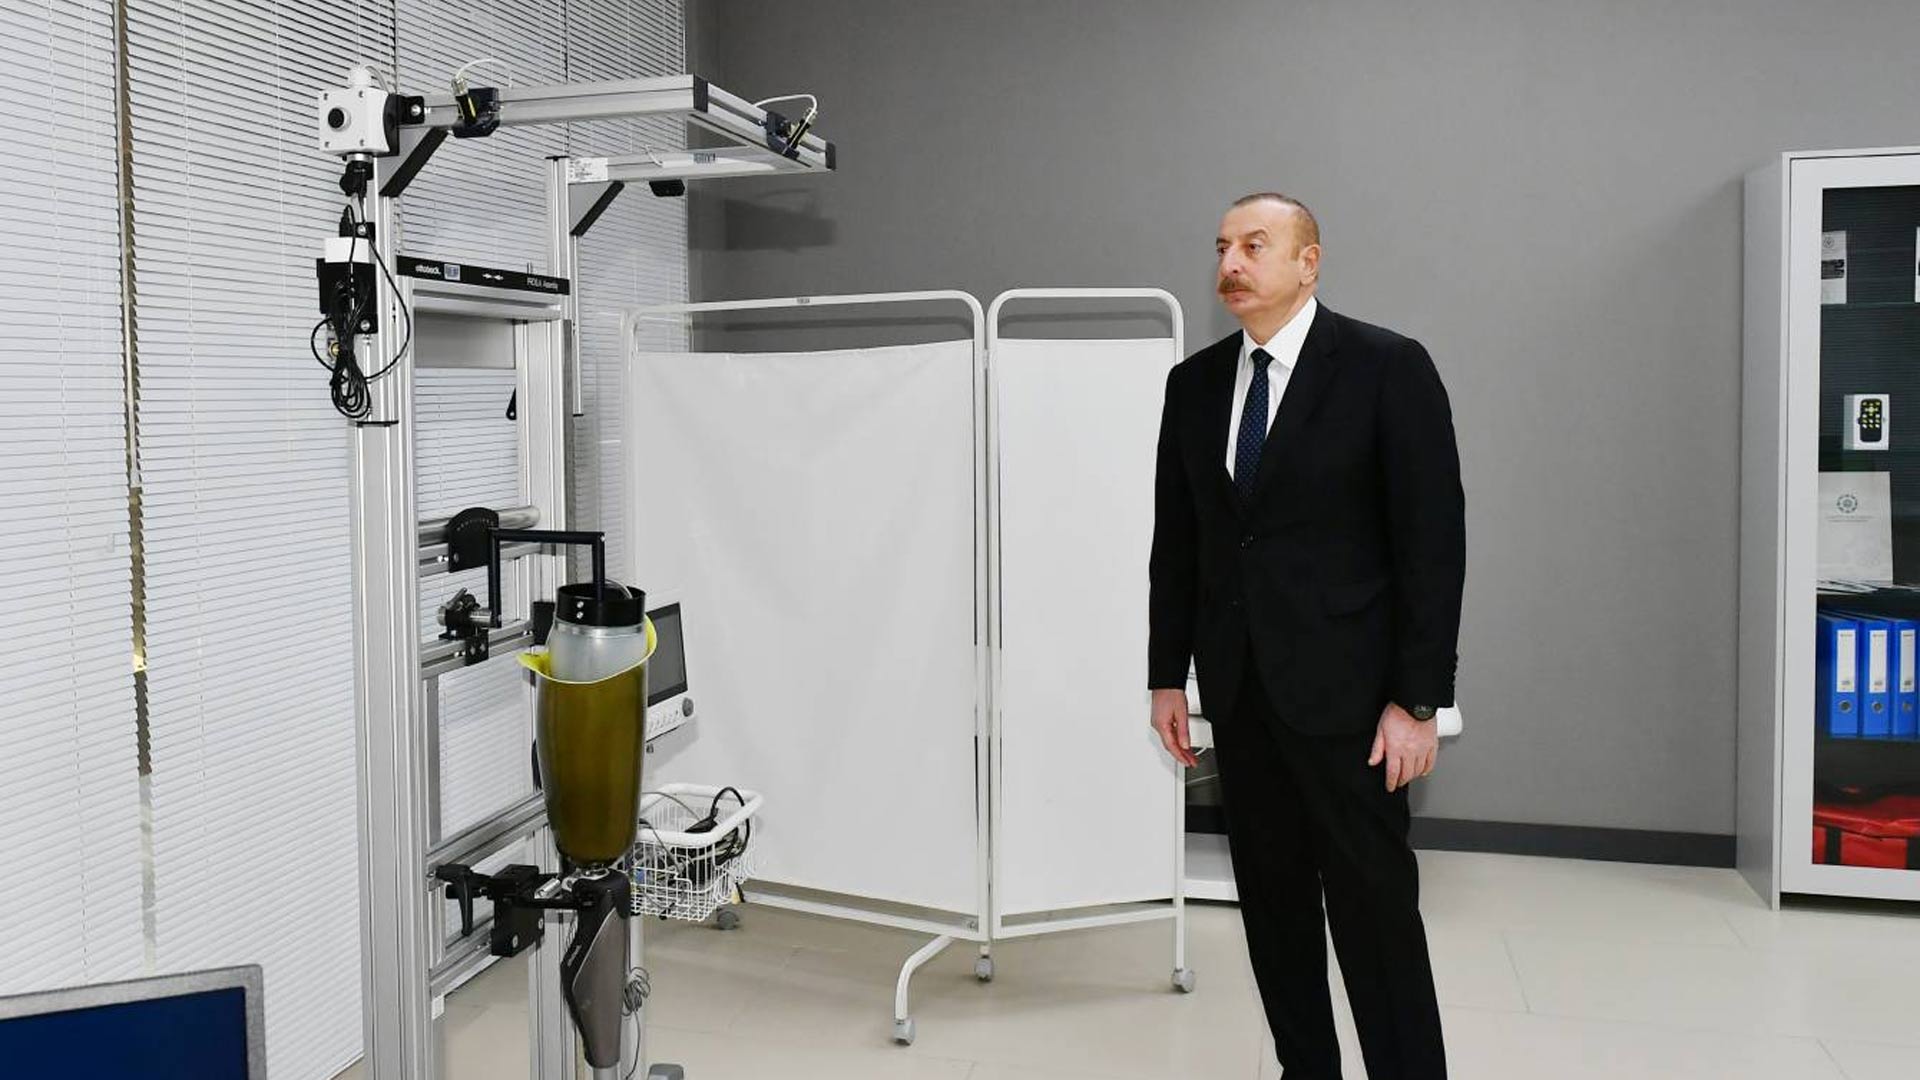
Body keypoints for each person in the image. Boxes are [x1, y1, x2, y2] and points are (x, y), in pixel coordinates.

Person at [1147, 192, 1465, 1079]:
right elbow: (1179, 544)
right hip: (1243, 695)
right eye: (1222, 247)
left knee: (1375, 917)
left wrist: (1417, 702)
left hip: (1355, 707)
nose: (1231, 264)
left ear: (1308, 262)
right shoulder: (1194, 385)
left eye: (1255, 245)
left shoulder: (1386, 368)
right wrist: (1167, 675)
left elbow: (1433, 546)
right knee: (1273, 909)